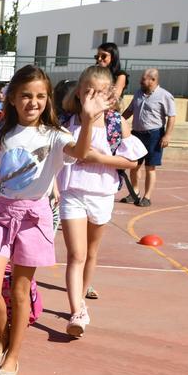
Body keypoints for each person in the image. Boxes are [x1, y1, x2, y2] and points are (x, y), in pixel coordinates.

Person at [0, 64, 104, 375]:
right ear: (13, 99)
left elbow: (80, 151)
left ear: (48, 99)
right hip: (4, 215)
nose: (33, 102)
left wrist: (87, 119)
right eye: (25, 96)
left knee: (20, 292)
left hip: (35, 218)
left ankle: (14, 355)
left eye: (40, 96)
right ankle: (5, 337)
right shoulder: (4, 133)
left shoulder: (57, 135)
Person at [57, 66, 147, 336]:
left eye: (98, 92)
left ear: (109, 95)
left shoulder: (116, 123)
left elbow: (132, 162)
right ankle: (77, 311)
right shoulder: (68, 119)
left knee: (91, 253)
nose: (92, 97)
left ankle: (82, 297)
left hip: (102, 193)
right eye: (87, 91)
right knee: (76, 254)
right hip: (73, 192)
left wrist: (100, 159)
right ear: (79, 91)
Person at [122, 68, 177, 207]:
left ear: (153, 80)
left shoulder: (165, 95)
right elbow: (129, 110)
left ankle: (147, 197)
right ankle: (134, 192)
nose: (140, 81)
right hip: (137, 134)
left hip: (154, 135)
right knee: (134, 165)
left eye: (143, 78)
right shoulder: (138, 93)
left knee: (150, 167)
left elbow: (172, 116)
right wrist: (118, 120)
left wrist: (167, 135)